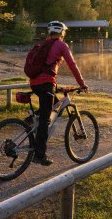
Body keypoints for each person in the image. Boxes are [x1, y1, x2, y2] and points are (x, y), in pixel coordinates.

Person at [28, 20, 88, 165]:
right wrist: (82, 84)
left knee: (53, 105)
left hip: (35, 83)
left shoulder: (43, 45)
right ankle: (39, 155)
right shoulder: (61, 45)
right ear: (61, 32)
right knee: (45, 119)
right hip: (45, 84)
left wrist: (55, 87)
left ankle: (29, 122)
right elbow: (72, 65)